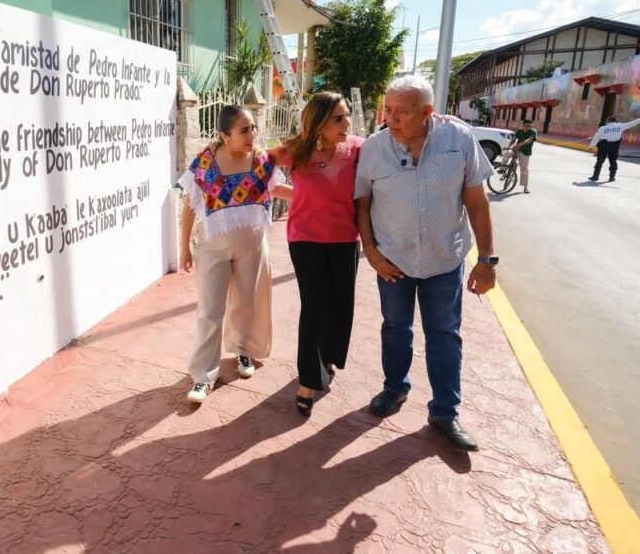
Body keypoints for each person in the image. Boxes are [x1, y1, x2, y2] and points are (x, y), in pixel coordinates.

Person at [354, 75, 496, 451]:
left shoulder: (459, 140)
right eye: (388, 109)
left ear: (428, 112)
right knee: (396, 328)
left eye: (402, 112)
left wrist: (487, 259)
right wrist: (370, 251)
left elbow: (477, 203)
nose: (391, 118)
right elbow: (362, 203)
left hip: (444, 258)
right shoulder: (373, 149)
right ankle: (394, 388)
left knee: (445, 334)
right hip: (393, 260)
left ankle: (445, 412)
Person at [177, 105, 290, 404]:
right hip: (213, 247)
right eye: (244, 130)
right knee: (210, 311)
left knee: (246, 303)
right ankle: (203, 376)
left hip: (252, 245)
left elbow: (276, 189)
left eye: (253, 128)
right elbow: (190, 205)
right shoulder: (205, 162)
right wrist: (184, 247)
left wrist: (317, 195)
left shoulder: (261, 161)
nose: (253, 135)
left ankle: (243, 351)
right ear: (224, 135)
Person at [269, 93, 363, 417]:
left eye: (346, 115)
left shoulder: (357, 149)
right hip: (305, 241)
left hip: (345, 240)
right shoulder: (295, 152)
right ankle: (308, 381)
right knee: (314, 307)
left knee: (340, 307)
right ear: (318, 122)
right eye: (338, 118)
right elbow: (254, 160)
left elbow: (394, 147)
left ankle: (327, 361)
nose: (346, 123)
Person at [588, 115, 640, 182]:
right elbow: (633, 123)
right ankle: (611, 177)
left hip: (604, 145)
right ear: (615, 121)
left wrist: (591, 146)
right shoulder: (620, 126)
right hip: (614, 146)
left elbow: (596, 138)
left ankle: (595, 176)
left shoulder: (603, 128)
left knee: (599, 162)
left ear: (608, 121)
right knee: (613, 161)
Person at [507, 119, 537, 193]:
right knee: (505, 154)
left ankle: (525, 187)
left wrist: (519, 144)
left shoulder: (533, 131)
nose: (527, 127)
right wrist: (509, 146)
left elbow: (529, 140)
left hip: (525, 152)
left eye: (529, 125)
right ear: (522, 125)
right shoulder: (519, 131)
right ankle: (503, 170)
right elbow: (513, 139)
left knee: (524, 169)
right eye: (525, 125)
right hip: (516, 149)